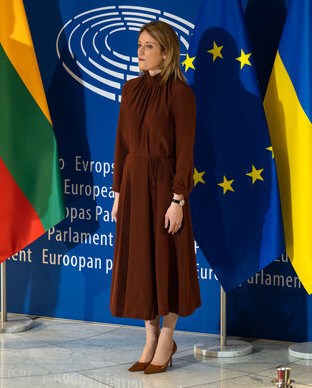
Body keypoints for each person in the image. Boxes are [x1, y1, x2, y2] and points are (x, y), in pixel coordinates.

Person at [110, 20, 200, 374]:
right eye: (139, 45)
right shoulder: (130, 89)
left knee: (169, 261)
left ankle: (167, 337)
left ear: (167, 51)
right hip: (133, 185)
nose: (141, 52)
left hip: (165, 187)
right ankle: (148, 338)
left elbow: (186, 151)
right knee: (141, 264)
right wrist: (118, 192)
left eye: (148, 46)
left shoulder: (180, 93)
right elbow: (121, 145)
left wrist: (178, 200)